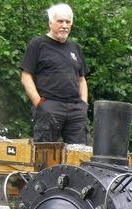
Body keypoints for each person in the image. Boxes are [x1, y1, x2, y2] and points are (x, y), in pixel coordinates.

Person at [20, 3, 90, 144]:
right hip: (49, 106)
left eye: (68, 22)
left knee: (81, 155)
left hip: (76, 109)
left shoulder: (75, 47)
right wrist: (40, 104)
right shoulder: (38, 44)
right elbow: (26, 77)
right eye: (60, 21)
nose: (64, 25)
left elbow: (82, 79)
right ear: (50, 23)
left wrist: (84, 104)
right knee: (44, 155)